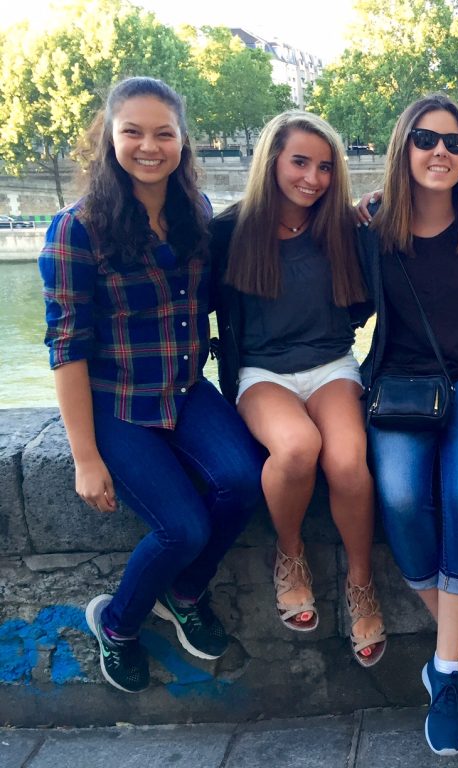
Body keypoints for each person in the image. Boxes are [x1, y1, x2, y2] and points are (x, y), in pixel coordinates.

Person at [39, 76, 264, 693]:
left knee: (248, 481)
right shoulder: (76, 229)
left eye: (164, 133)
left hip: (187, 389)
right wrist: (86, 458)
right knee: (182, 527)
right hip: (118, 403)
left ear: (183, 141)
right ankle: (115, 623)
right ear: (108, 138)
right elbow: (66, 348)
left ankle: (184, 593)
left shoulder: (195, 213)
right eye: (132, 131)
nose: (148, 145)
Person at [361, 93, 458, 756]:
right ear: (404, 147)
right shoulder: (371, 230)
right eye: (426, 139)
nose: (441, 153)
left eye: (455, 143)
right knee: (398, 497)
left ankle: (445, 670)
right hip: (401, 384)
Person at [209, 111, 386, 666]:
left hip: (332, 365)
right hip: (261, 374)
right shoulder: (231, 233)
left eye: (325, 167)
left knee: (350, 460)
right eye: (300, 163)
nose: (312, 178)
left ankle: (361, 583)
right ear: (272, 162)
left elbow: (368, 302)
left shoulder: (345, 231)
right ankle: (291, 554)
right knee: (296, 447)